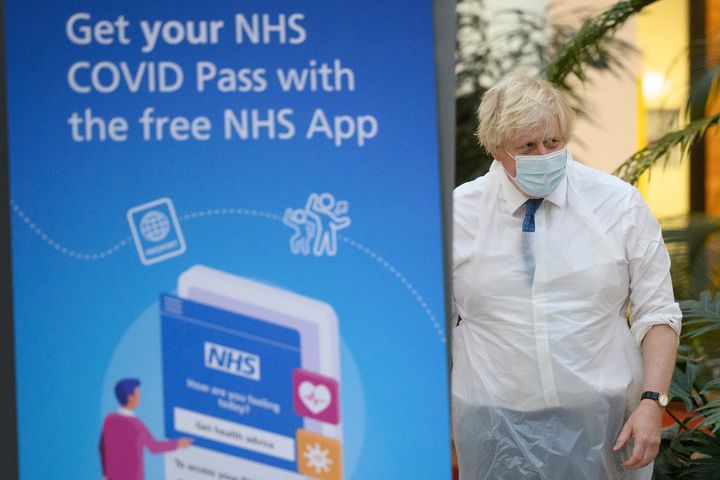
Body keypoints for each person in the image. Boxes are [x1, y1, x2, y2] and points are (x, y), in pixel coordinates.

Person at [452, 75, 681, 479]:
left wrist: (652, 402)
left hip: (604, 420)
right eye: (527, 147)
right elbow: (428, 321)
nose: (544, 154)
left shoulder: (618, 204)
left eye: (553, 142)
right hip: (493, 423)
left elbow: (657, 311)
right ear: (495, 149)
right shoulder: (457, 214)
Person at [100, 378, 193, 480]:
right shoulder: (136, 425)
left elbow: (102, 446)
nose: (139, 397)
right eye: (137, 394)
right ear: (130, 397)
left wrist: (105, 474)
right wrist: (178, 444)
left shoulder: (109, 419)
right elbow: (154, 447)